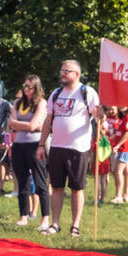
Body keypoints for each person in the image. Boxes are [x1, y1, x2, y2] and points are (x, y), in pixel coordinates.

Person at [37, 59, 101, 237]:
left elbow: (97, 116)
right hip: (57, 146)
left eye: (67, 70)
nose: (63, 73)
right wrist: (42, 145)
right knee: (56, 186)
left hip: (78, 148)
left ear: (77, 74)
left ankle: (75, 226)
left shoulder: (87, 92)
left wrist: (100, 115)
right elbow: (48, 120)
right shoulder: (56, 94)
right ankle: (55, 224)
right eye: (62, 69)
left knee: (76, 188)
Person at [9, 75, 49, 229]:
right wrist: (26, 125)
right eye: (24, 86)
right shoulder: (17, 102)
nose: (26, 89)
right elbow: (10, 124)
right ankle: (23, 216)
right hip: (19, 145)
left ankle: (45, 218)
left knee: (40, 182)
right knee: (22, 182)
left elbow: (33, 126)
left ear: (36, 88)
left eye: (29, 87)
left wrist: (19, 124)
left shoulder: (41, 103)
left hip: (35, 145)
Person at [108, 104, 128, 204]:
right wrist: (108, 139)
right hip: (125, 147)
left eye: (124, 104)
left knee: (117, 171)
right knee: (126, 172)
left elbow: (127, 133)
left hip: (125, 148)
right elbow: (119, 133)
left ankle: (119, 196)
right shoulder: (125, 117)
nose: (121, 105)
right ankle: (125, 195)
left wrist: (117, 145)